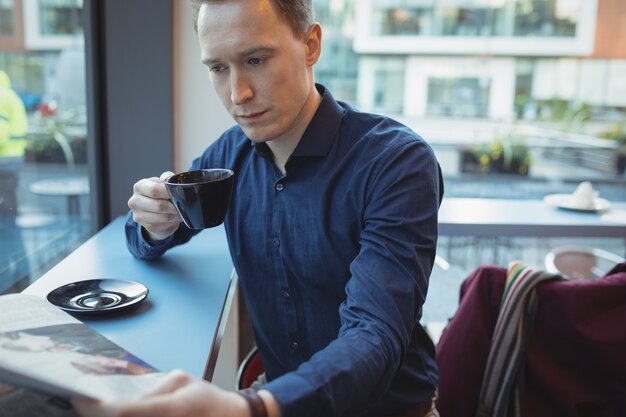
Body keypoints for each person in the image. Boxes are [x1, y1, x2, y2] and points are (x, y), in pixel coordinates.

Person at [75, 0, 443, 416]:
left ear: (311, 45)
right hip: (276, 396)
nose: (237, 94)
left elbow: (374, 333)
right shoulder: (231, 155)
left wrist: (254, 408)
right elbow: (145, 234)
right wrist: (153, 223)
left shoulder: (396, 163)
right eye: (217, 68)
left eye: (256, 59)